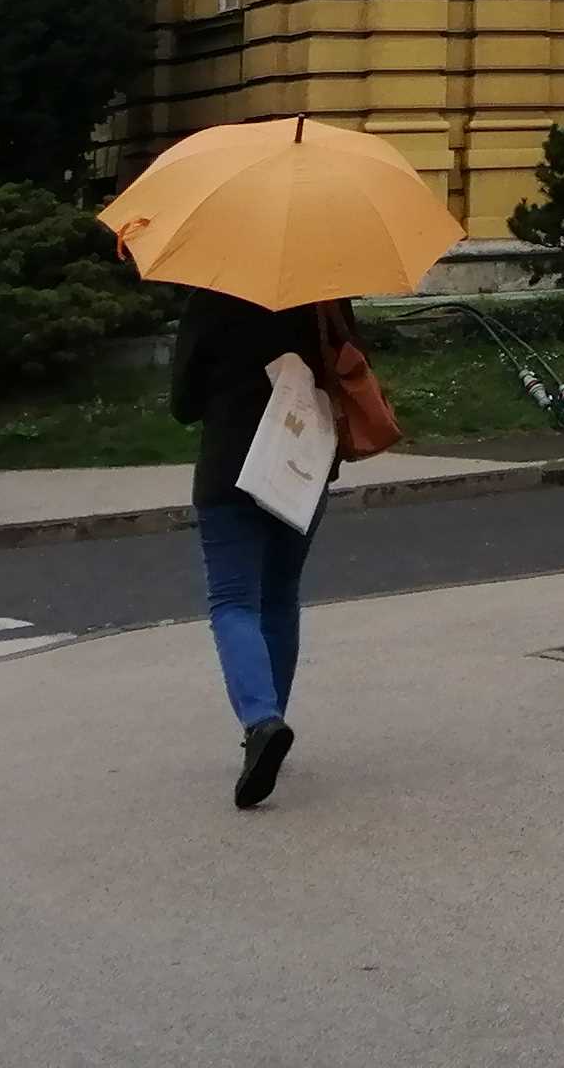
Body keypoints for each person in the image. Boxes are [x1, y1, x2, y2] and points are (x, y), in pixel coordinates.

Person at [170, 286, 337, 807]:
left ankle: (262, 723)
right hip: (304, 463)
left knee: (234, 601)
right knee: (280, 595)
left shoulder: (213, 294)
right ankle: (268, 729)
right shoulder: (326, 290)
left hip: (231, 468)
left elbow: (184, 403)